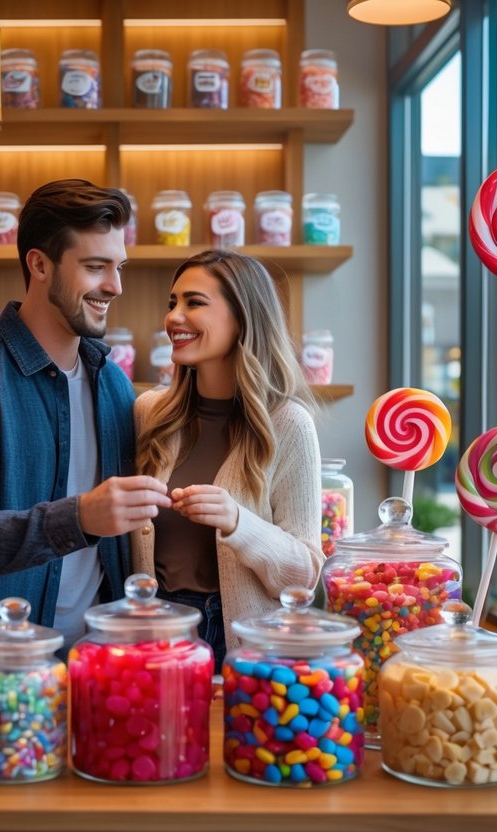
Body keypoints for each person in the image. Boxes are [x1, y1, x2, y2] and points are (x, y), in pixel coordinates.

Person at [0, 179, 172, 666]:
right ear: (39, 264)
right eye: (95, 267)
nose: (115, 286)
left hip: (95, 662)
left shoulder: (112, 382)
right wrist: (80, 518)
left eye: (119, 267)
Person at [133, 249, 324, 667]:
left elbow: (305, 575)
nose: (174, 317)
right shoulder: (149, 413)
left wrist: (239, 522)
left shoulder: (289, 424)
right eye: (172, 303)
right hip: (152, 627)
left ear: (242, 316)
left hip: (239, 638)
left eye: (194, 303)